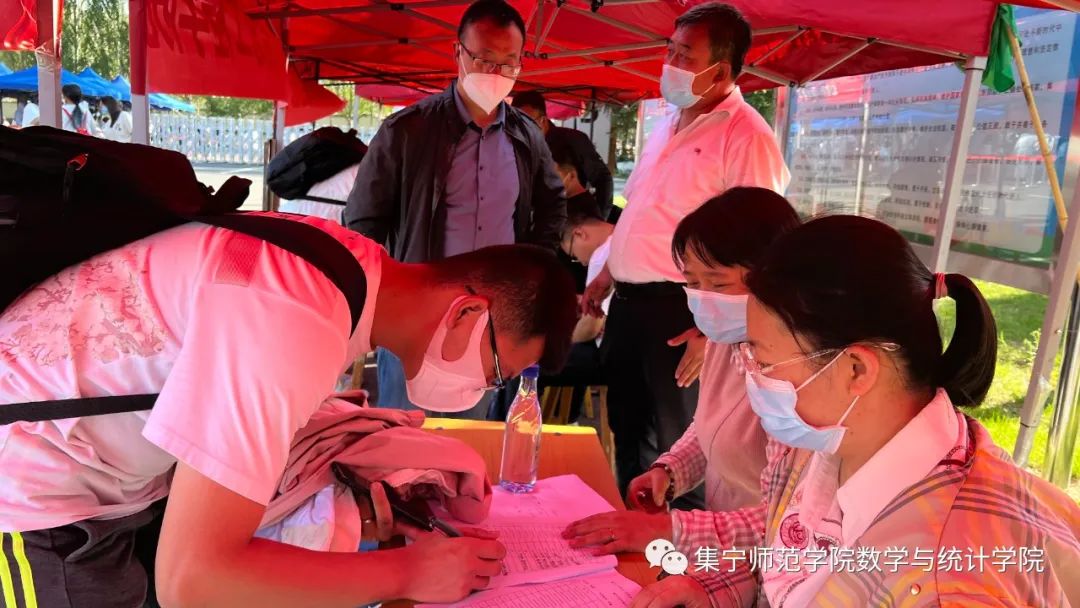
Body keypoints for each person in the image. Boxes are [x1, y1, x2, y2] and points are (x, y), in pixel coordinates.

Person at [0, 213, 578, 607]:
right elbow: (193, 580)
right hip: (38, 488)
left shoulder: (341, 265)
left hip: (118, 480)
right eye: (496, 370)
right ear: (467, 313)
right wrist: (410, 572)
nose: (484, 388)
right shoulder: (296, 319)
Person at [627, 215, 1080, 608]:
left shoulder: (948, 581)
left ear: (856, 369)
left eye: (762, 361)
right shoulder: (830, 440)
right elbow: (796, 560)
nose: (751, 376)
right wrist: (716, 588)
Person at [582, 3, 789, 503]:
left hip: (686, 310)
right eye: (670, 51)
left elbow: (762, 241)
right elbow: (642, 209)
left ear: (720, 70)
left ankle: (680, 543)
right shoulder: (668, 122)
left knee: (679, 448)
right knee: (629, 433)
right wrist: (607, 271)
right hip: (629, 305)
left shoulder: (746, 135)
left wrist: (711, 332)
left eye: (684, 55)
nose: (670, 64)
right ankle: (634, 528)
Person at [345, 0, 566, 418]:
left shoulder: (525, 137)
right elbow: (362, 224)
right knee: (404, 430)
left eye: (509, 62)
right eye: (484, 59)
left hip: (491, 323)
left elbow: (552, 202)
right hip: (417, 317)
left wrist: (534, 265)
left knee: (470, 435)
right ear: (458, 53)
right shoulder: (408, 131)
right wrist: (378, 302)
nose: (495, 72)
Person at [562, 187, 799, 551]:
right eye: (691, 282)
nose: (703, 296)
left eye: (718, 283)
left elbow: (786, 524)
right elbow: (709, 427)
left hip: (770, 564)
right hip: (725, 556)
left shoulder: (800, 376)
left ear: (774, 277)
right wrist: (669, 471)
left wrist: (670, 531)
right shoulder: (726, 341)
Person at [538, 200, 616, 421]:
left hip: (609, 356)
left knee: (530, 359)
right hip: (633, 351)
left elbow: (590, 329)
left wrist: (558, 341)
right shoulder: (625, 239)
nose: (580, 262)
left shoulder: (601, 255)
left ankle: (510, 425)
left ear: (580, 234)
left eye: (573, 254)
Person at [512, 90, 615, 218]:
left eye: (527, 123)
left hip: (574, 218)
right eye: (517, 123)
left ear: (543, 120)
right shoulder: (517, 145)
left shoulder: (573, 140)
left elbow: (603, 179)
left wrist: (600, 219)